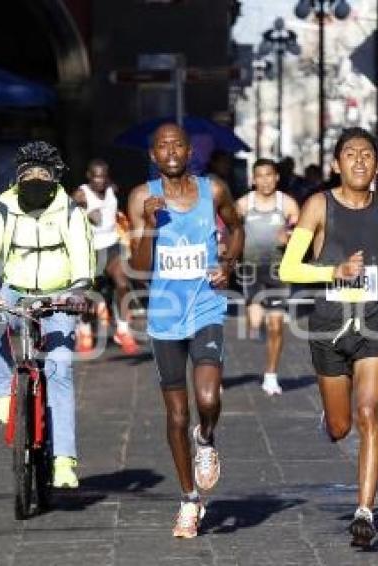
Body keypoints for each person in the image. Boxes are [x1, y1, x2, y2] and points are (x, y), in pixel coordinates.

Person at [279, 127, 378, 548]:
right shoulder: (318, 206)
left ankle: (364, 511)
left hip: (376, 324)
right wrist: (332, 271)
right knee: (342, 426)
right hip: (328, 327)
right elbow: (289, 268)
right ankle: (331, 419)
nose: (359, 161)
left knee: (368, 413)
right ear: (336, 164)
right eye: (350, 154)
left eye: (367, 155)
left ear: (377, 165)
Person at [127, 123, 244, 539]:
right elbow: (140, 267)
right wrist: (148, 223)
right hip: (164, 315)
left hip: (206, 306)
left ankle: (206, 438)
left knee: (208, 397)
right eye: (163, 145)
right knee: (176, 414)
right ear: (153, 155)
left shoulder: (213, 191)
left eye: (178, 144)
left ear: (190, 151)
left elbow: (237, 227)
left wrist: (228, 265)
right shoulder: (142, 196)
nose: (171, 150)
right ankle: (189, 500)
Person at [0, 141, 94, 489]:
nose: (35, 181)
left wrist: (77, 292)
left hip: (58, 295)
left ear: (53, 179)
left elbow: (83, 256)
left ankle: (64, 459)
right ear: (17, 179)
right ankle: (3, 393)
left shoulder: (70, 213)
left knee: (60, 367)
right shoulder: (3, 210)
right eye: (28, 175)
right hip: (15, 290)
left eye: (42, 175)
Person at [235, 158, 300, 395]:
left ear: (277, 177)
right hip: (250, 269)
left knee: (276, 325)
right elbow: (229, 229)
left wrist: (291, 234)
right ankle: (255, 323)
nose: (264, 180)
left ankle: (270, 376)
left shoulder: (287, 203)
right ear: (253, 179)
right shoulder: (243, 204)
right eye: (259, 176)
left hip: (278, 270)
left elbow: (302, 230)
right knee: (255, 324)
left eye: (269, 175)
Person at [70, 159, 140, 355]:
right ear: (88, 176)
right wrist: (85, 212)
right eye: (96, 176)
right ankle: (83, 329)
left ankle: (123, 329)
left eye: (103, 176)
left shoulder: (112, 188)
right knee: (87, 294)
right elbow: (63, 212)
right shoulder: (81, 194)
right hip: (89, 250)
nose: (100, 181)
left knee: (123, 283)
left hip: (112, 246)